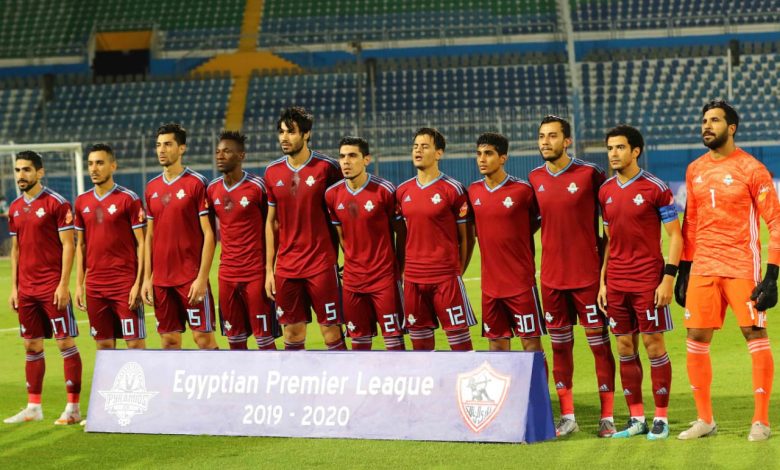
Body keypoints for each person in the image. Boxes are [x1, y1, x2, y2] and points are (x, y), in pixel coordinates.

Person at [675, 100, 779, 441]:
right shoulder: (694, 169)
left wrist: (772, 275)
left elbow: (775, 221)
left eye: (715, 120)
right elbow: (691, 222)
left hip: (741, 266)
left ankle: (761, 421)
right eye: (704, 120)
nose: (707, 125)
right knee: (696, 337)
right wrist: (684, 269)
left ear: (731, 128)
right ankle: (705, 420)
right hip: (704, 267)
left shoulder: (752, 169)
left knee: (754, 334)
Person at [528, 115, 616, 437]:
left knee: (599, 347)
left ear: (567, 141)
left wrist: (606, 276)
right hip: (551, 278)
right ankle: (568, 416)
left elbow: (610, 224)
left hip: (587, 277)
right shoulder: (534, 178)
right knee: (560, 348)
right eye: (542, 136)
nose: (545, 142)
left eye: (552, 136)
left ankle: (607, 416)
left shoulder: (591, 174)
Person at [596, 125, 681, 440]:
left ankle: (661, 418)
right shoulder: (605, 191)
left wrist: (668, 278)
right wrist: (603, 282)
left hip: (647, 279)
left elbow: (676, 236)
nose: (613, 153)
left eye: (620, 147)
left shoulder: (655, 188)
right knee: (624, 346)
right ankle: (636, 418)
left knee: (653, 344)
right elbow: (609, 240)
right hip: (617, 282)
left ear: (635, 151)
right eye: (610, 148)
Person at [5, 151, 82, 425]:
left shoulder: (57, 204)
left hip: (51, 287)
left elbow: (69, 245)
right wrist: (14, 288)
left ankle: (73, 408)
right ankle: (33, 407)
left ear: (40, 172)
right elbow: (15, 249)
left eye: (26, 169)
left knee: (64, 342)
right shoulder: (15, 207)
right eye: (18, 170)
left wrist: (63, 284)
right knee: (31, 345)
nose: (21, 175)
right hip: (27, 290)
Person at [264, 107, 346, 350]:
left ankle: (341, 376)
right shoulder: (272, 171)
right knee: (292, 333)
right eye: (281, 132)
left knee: (331, 331)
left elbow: (342, 218)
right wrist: (269, 269)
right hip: (287, 267)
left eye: (291, 132)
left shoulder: (328, 168)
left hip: (321, 264)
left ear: (307, 134)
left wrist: (349, 257)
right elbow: (272, 222)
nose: (284, 137)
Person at [467, 132, 547, 359]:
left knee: (531, 345)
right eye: (479, 154)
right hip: (490, 287)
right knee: (497, 347)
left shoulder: (523, 191)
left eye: (488, 154)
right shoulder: (473, 191)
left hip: (520, 284)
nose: (482, 159)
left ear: (503, 158)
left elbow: (537, 222)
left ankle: (539, 385)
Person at [395, 127, 476, 351]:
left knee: (460, 344)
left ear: (439, 153)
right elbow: (401, 235)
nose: (418, 151)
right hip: (413, 279)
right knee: (420, 347)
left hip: (445, 278)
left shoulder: (453, 189)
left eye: (425, 146)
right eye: (415, 146)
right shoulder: (402, 191)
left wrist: (457, 271)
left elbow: (467, 238)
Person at [140, 123, 217, 350]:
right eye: (158, 145)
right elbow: (150, 236)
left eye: (168, 144)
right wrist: (147, 278)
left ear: (182, 148)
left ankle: (216, 376)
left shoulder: (197, 183)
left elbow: (209, 234)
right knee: (169, 341)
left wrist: (202, 278)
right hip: (161, 281)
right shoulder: (151, 187)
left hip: (190, 278)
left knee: (203, 339)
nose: (161, 150)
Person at [324, 137, 406, 351]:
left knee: (394, 343)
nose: (346, 161)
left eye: (352, 156)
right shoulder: (332, 195)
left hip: (384, 280)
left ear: (366, 159)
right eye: (342, 156)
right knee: (359, 345)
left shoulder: (385, 191)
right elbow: (342, 237)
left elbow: (402, 234)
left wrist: (399, 268)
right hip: (352, 282)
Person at [207, 131, 280, 350]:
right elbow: (207, 233)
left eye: (227, 151)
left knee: (264, 341)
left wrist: (270, 269)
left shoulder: (258, 187)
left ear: (241, 156)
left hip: (255, 274)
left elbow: (274, 226)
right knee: (235, 341)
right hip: (226, 276)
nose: (220, 156)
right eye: (218, 151)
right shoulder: (212, 190)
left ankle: (273, 374)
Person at [74, 144, 147, 350]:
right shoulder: (81, 202)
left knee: (135, 344)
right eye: (90, 164)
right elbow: (81, 245)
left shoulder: (128, 199)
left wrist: (139, 283)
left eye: (99, 163)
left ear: (113, 166)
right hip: (95, 287)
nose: (93, 169)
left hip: (124, 284)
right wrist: (79, 284)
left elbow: (143, 243)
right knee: (104, 345)